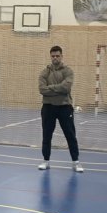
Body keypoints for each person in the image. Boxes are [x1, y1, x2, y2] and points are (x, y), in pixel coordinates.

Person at [38, 45, 83, 173]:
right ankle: (45, 161)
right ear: (50, 56)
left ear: (61, 56)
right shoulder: (44, 72)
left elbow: (66, 88)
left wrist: (50, 88)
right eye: (53, 56)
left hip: (65, 108)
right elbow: (42, 89)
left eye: (57, 56)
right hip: (48, 108)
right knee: (46, 135)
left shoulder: (68, 71)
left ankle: (76, 162)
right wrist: (58, 89)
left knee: (70, 135)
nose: (55, 58)